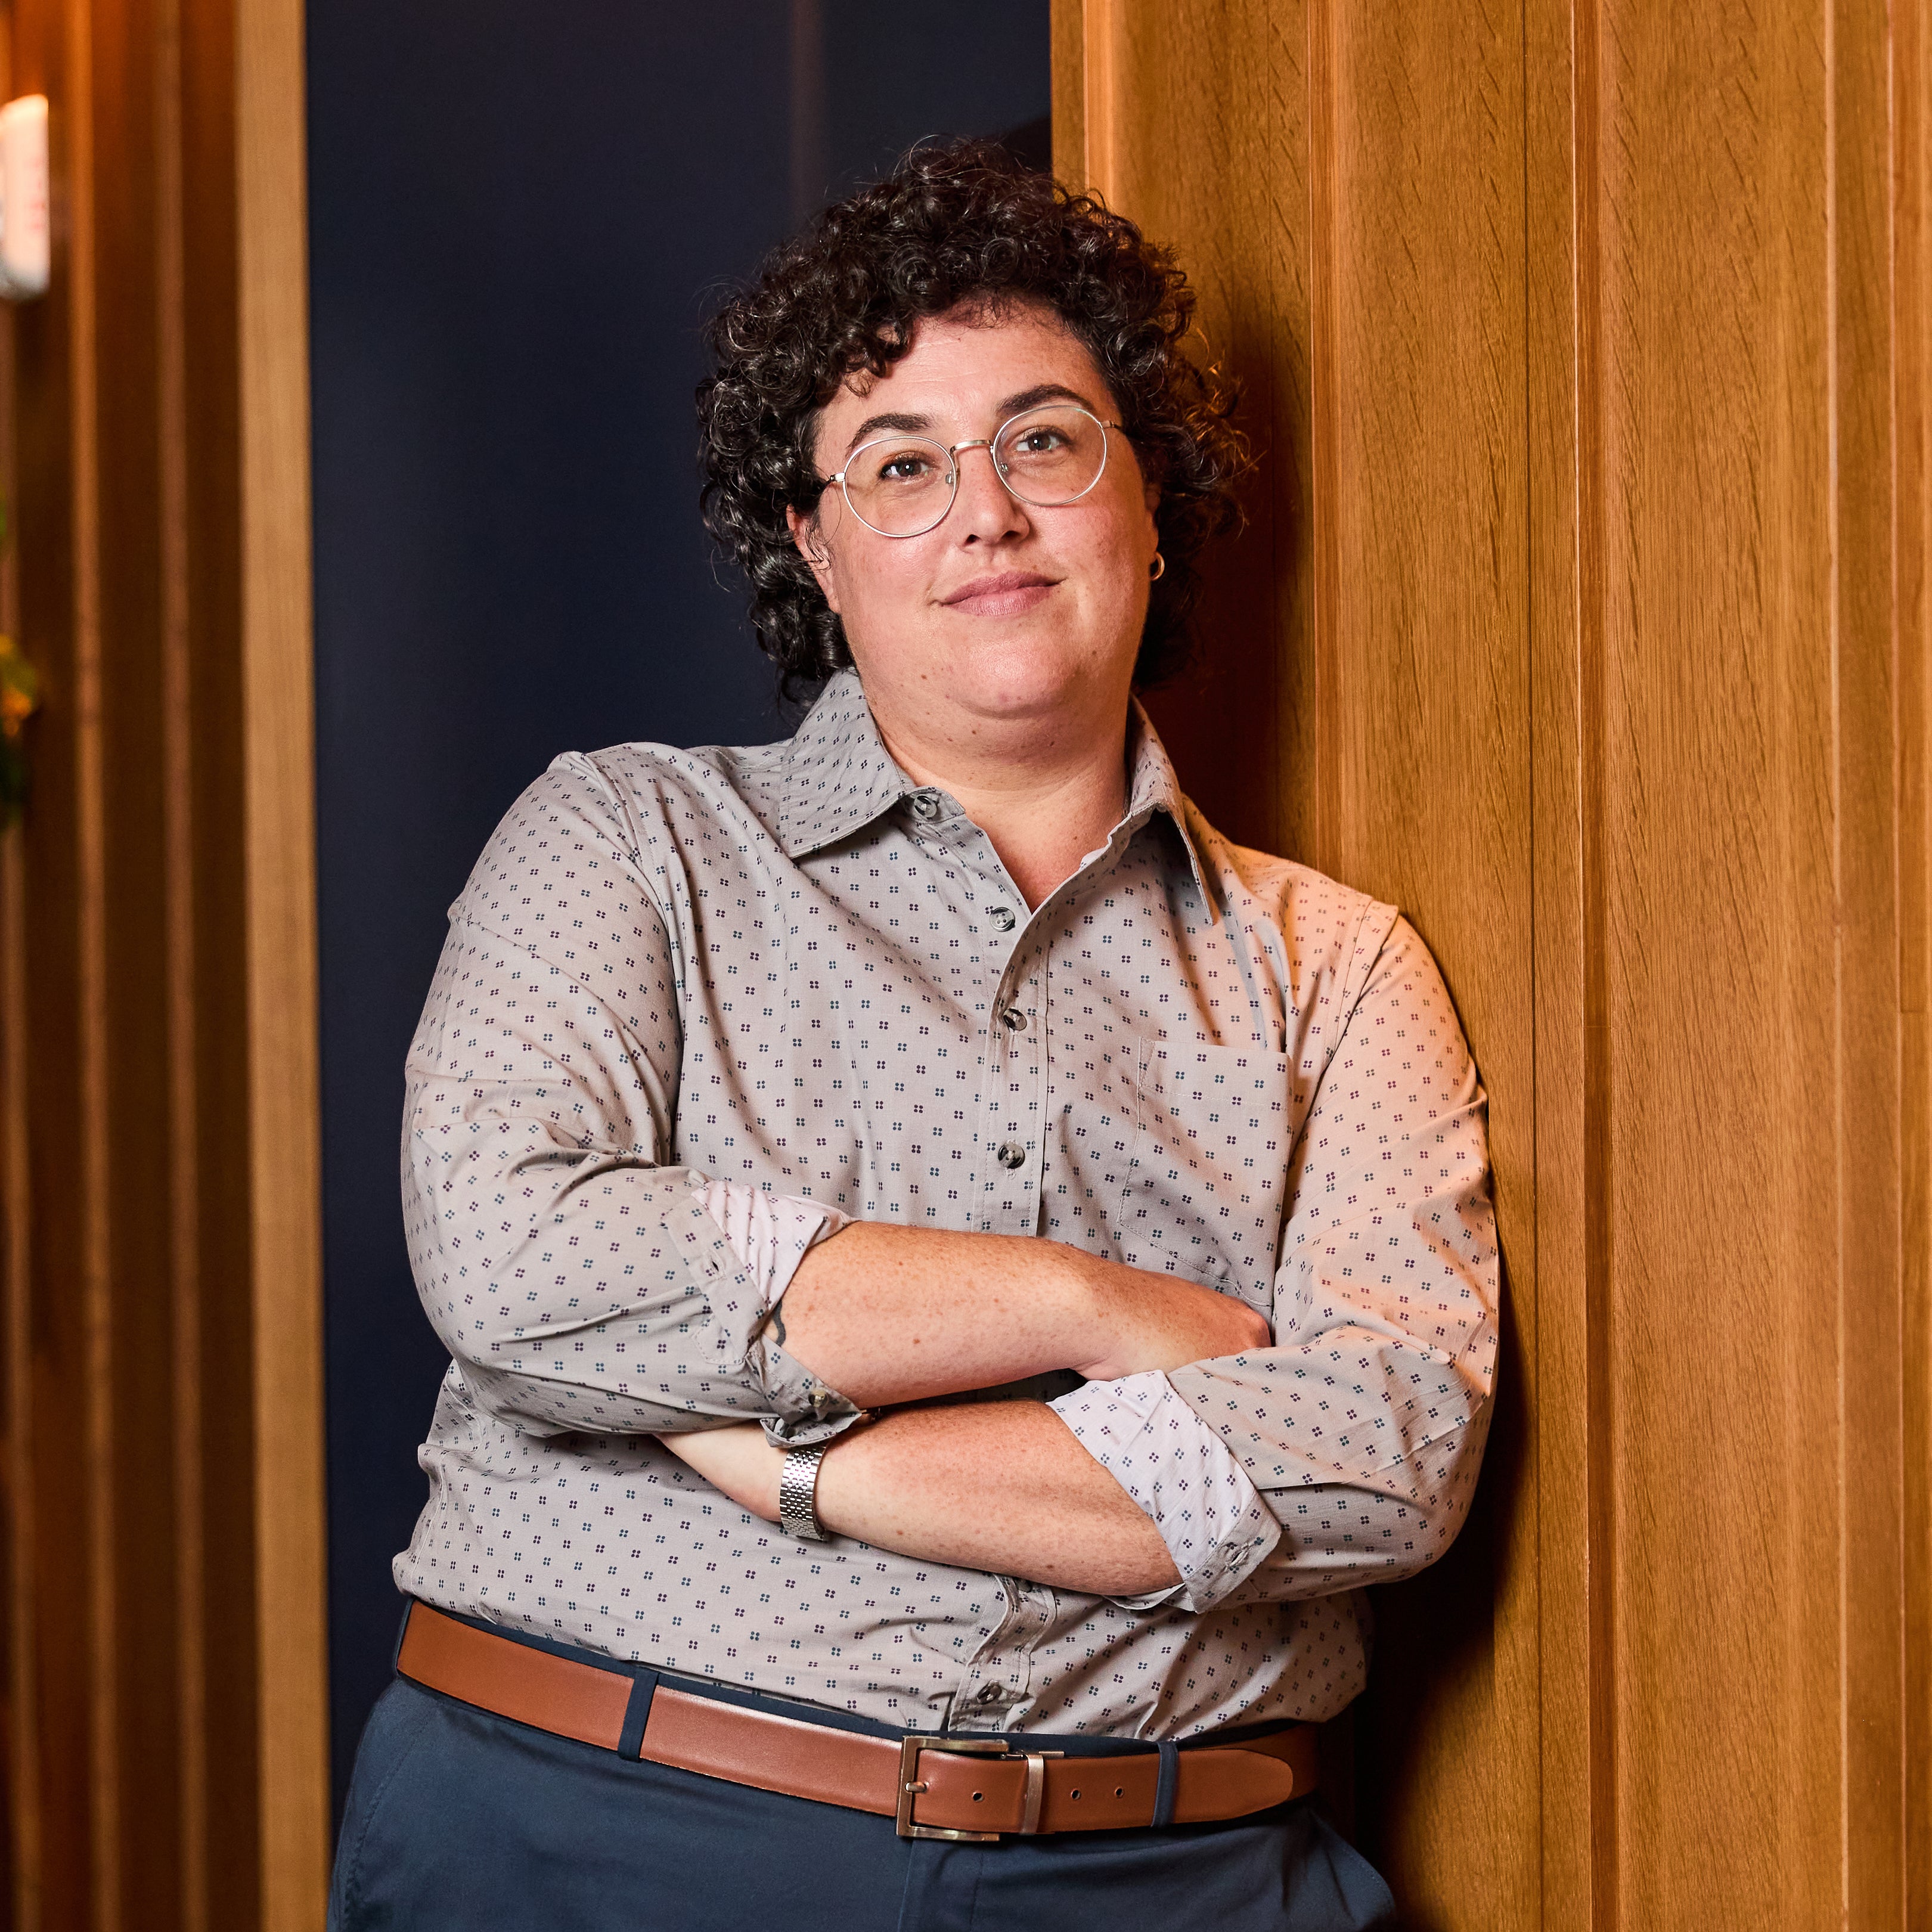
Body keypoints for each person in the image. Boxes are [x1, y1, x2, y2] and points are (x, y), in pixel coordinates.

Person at [327, 139, 1497, 1931]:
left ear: (1152, 499)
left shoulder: (1335, 971)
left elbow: (1379, 1447)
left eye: (1045, 439)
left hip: (1171, 1877)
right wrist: (1083, 1306)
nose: (986, 512)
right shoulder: (626, 842)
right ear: (814, 544)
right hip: (597, 1839)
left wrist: (808, 1460)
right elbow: (522, 1258)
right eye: (900, 463)